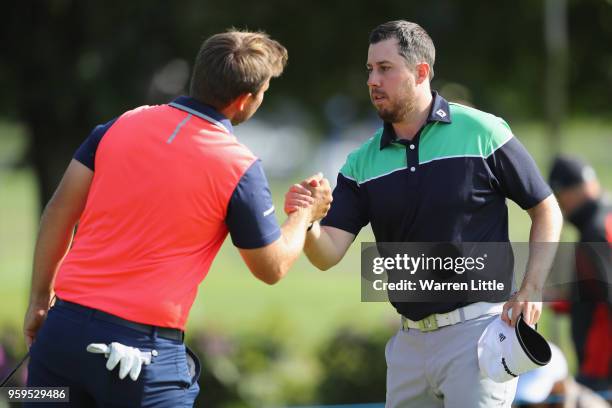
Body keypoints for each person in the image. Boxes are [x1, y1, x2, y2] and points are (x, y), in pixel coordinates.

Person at [23, 30, 332, 407]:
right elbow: (272, 267)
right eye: (264, 91)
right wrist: (304, 214)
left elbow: (59, 210)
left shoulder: (121, 124)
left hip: (59, 339)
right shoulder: (239, 165)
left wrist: (40, 300)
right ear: (244, 100)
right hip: (140, 360)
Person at [285, 20, 563, 407]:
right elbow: (327, 254)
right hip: (407, 346)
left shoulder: (483, 131)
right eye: (370, 70)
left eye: (385, 68)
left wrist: (532, 289)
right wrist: (309, 220)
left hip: (478, 334)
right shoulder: (360, 163)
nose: (372, 80)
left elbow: (546, 208)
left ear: (421, 72)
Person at [548, 155, 611, 391]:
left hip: (601, 366)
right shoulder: (605, 219)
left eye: (559, 198)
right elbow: (592, 290)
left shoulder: (595, 231)